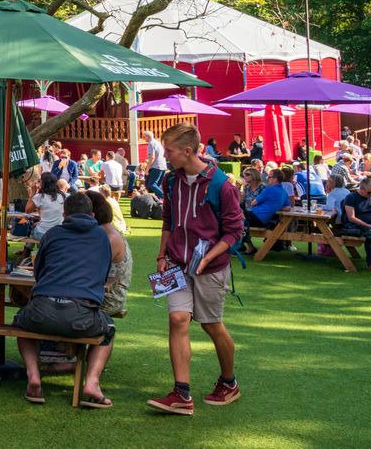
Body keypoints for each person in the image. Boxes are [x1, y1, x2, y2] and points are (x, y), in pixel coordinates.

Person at [149, 123, 243, 414]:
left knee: (211, 324)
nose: (166, 156)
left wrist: (207, 258)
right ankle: (182, 394)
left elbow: (235, 232)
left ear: (188, 151)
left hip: (210, 268)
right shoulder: (171, 180)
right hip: (177, 263)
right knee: (178, 319)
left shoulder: (221, 185)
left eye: (169, 151)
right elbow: (168, 220)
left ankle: (229, 382)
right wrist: (162, 254)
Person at [16, 191, 115, 408]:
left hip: (41, 311)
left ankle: (33, 375)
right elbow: (103, 275)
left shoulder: (52, 234)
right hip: (82, 317)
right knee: (109, 328)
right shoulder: (101, 237)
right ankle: (92, 382)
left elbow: (38, 272)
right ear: (92, 215)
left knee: (20, 322)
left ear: (64, 214)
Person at [87, 189, 132, 319]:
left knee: (56, 306)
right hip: (98, 293)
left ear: (91, 214)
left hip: (108, 299)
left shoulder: (109, 238)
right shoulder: (107, 232)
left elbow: (88, 270)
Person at [240, 168, 290, 254]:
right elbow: (288, 207)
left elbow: (253, 203)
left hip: (256, 217)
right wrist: (275, 207)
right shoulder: (284, 192)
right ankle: (244, 246)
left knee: (235, 220)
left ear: (275, 179)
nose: (267, 178)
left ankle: (244, 246)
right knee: (239, 219)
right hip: (266, 220)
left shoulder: (268, 189)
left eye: (269, 177)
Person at [27, 172, 65, 238]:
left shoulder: (39, 197)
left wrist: (33, 192)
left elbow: (27, 210)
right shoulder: (62, 196)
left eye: (39, 181)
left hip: (43, 234)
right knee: (37, 225)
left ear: (43, 183)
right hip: (58, 233)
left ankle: (28, 245)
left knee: (31, 228)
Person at [143, 131, 168, 198]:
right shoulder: (158, 143)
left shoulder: (151, 144)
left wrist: (147, 169)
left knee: (151, 184)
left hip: (156, 166)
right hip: (163, 166)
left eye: (144, 137)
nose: (144, 139)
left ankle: (164, 197)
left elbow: (152, 157)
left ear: (147, 137)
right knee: (157, 185)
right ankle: (159, 201)